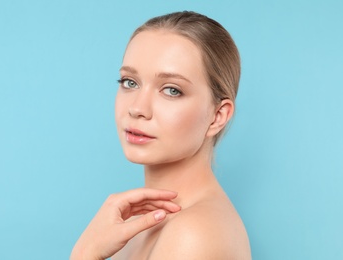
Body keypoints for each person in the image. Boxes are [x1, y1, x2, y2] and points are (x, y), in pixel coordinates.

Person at [70, 11, 251, 260]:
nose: (138, 108)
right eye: (130, 82)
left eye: (171, 90)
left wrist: (84, 253)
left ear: (217, 115)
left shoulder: (194, 232)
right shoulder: (137, 222)